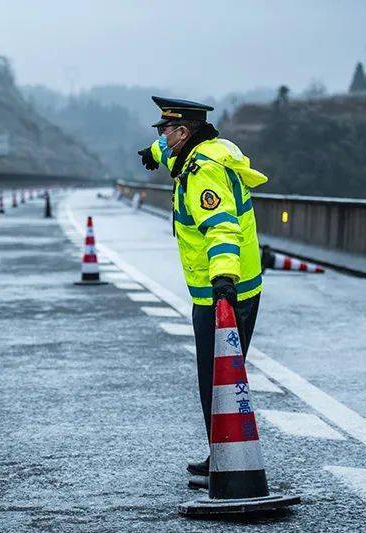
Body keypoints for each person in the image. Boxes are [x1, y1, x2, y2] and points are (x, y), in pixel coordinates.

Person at [138, 96, 269, 478]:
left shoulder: (202, 173)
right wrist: (153, 150)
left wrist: (224, 280)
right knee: (216, 377)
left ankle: (228, 460)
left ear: (184, 132)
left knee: (217, 380)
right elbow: (170, 150)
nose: (163, 137)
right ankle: (223, 454)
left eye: (166, 131)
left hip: (225, 291)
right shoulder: (202, 149)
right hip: (219, 290)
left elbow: (222, 227)